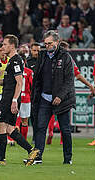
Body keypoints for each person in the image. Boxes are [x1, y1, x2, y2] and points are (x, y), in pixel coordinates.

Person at [0, 34, 39, 166]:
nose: (3, 47)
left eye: (5, 44)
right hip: (7, 97)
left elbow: (19, 83)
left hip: (8, 99)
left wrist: (14, 100)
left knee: (1, 126)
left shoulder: (16, 60)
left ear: (12, 46)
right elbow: (7, 82)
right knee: (9, 128)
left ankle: (2, 159)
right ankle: (31, 150)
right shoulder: (11, 61)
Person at [31, 30, 75, 165]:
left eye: (50, 43)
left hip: (62, 100)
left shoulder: (66, 57)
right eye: (45, 44)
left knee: (65, 129)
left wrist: (60, 96)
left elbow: (69, 81)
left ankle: (68, 159)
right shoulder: (42, 56)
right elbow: (37, 78)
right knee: (40, 128)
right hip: (44, 98)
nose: (47, 46)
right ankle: (38, 157)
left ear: (57, 42)